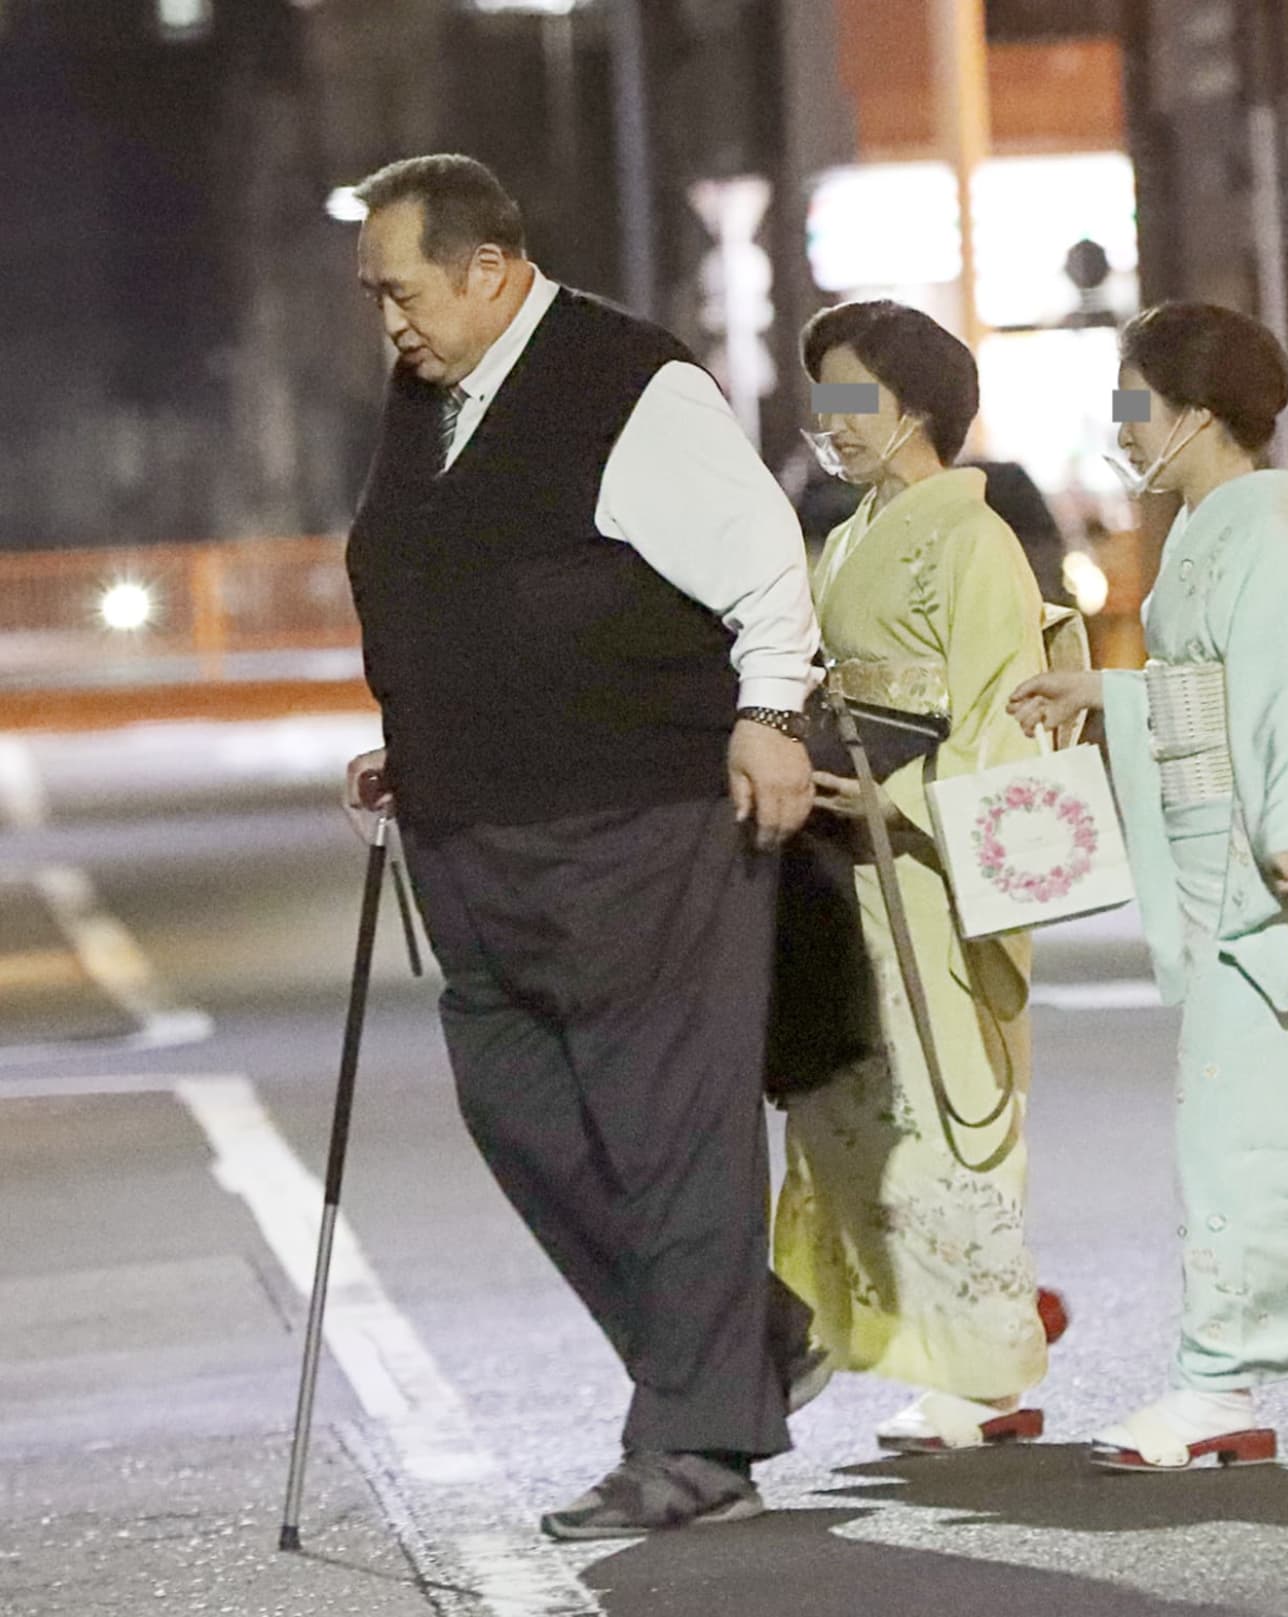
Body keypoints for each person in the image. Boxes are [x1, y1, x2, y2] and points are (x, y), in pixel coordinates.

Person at [340, 154, 825, 1537]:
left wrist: (768, 717)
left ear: (490, 270)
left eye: (403, 292)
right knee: (520, 1114)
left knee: (669, 1131)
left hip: (638, 821)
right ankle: (746, 1341)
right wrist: (421, 727)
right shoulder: (430, 398)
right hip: (471, 831)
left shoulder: (630, 383)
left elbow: (761, 561)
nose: (390, 321)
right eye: (377, 297)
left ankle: (697, 1447)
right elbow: (456, 582)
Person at [1010, 301, 1288, 1471]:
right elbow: (1214, 694)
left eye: (1132, 403)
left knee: (1238, 1141)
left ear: (1194, 411)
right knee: (1250, 1139)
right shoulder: (1212, 533)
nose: (1121, 429)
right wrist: (1106, 695)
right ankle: (1217, 1379)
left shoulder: (1263, 541)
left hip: (1261, 883)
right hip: (1224, 873)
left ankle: (1213, 1382)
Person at [773, 298, 1056, 1450]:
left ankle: (986, 1372)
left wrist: (894, 796)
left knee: (938, 1097)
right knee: (860, 1098)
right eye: (824, 400)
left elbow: (1000, 716)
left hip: (925, 857)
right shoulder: (850, 533)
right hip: (848, 848)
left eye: (854, 398)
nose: (833, 422)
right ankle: (914, 1341)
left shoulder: (970, 539)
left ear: (919, 406)